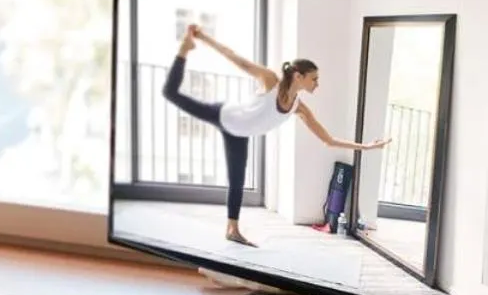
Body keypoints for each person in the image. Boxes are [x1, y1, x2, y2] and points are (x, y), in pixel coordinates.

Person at [163, 23, 388, 247]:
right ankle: (185, 48)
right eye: (314, 79)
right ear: (299, 76)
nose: (317, 84)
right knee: (170, 93)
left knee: (237, 179)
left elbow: (327, 140)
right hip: (224, 115)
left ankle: (232, 229)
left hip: (239, 134)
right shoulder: (270, 81)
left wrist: (366, 147)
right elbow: (235, 58)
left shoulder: (298, 107)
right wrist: (203, 37)